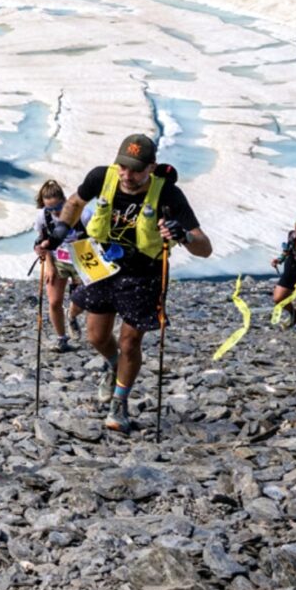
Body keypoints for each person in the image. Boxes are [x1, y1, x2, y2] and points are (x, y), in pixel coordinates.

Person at [36, 134, 212, 433]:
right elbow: (76, 201)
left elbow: (204, 247)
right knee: (95, 336)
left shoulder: (168, 194)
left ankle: (119, 404)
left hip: (144, 272)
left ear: (151, 168)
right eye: (123, 167)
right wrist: (57, 235)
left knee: (131, 341)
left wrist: (181, 235)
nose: (127, 176)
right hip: (102, 263)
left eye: (136, 170)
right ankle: (114, 363)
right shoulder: (101, 177)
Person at [33, 179, 83, 351]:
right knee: (54, 301)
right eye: (50, 208)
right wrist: (48, 265)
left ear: (65, 200)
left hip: (81, 259)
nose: (55, 211)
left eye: (58, 206)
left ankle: (72, 315)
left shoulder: (82, 213)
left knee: (80, 301)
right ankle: (62, 338)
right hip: (56, 259)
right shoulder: (42, 217)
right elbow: (40, 241)